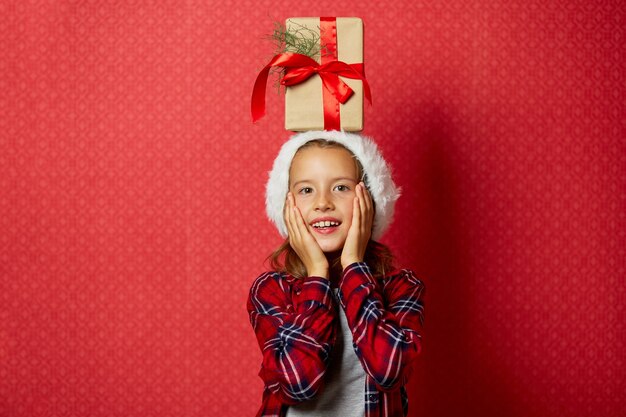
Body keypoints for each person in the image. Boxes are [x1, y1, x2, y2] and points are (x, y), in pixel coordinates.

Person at [247, 130, 425, 417]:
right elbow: (297, 383)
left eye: (340, 187)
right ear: (286, 207)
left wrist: (353, 263)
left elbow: (387, 371)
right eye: (306, 190)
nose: (323, 203)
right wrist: (318, 275)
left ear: (370, 199)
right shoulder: (271, 289)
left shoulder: (401, 287)